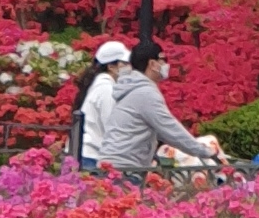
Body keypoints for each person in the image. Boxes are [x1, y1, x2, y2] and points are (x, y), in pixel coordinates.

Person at [93, 45, 221, 179]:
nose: (166, 64)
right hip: (123, 170)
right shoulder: (145, 93)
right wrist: (205, 151)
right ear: (152, 64)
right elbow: (170, 129)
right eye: (163, 60)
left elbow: (162, 132)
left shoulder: (133, 89)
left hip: (113, 167)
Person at [71, 36, 131, 166]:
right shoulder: (106, 89)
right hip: (91, 157)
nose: (129, 67)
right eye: (124, 64)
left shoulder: (101, 84)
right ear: (111, 66)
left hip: (87, 154)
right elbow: (111, 126)